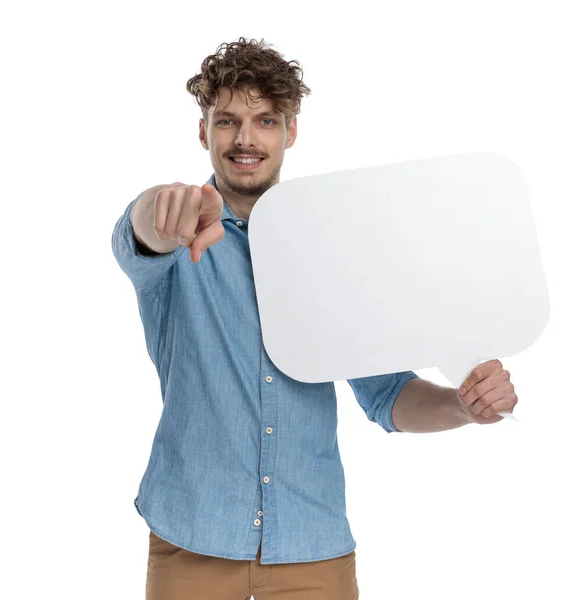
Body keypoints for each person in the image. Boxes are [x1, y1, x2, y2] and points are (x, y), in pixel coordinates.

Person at [111, 37, 518, 600]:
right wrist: (166, 207)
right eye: (227, 121)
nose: (246, 139)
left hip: (311, 547)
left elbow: (386, 394)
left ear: (290, 132)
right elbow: (143, 229)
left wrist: (464, 407)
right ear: (203, 132)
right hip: (192, 540)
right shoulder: (179, 235)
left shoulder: (333, 249)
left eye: (266, 120)